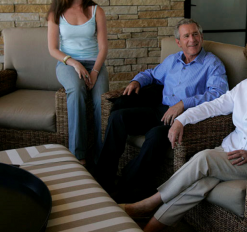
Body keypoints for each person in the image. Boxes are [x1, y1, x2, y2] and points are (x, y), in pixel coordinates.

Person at [121, 32, 247, 232]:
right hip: (229, 150)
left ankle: (150, 203)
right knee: (199, 186)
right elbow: (213, 106)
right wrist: (182, 119)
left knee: (203, 158)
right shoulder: (245, 87)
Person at [95, 18, 229, 202]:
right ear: (178, 42)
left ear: (201, 36)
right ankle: (103, 178)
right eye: (186, 36)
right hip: (160, 110)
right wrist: (136, 81)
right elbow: (151, 74)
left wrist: (184, 103)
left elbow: (219, 95)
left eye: (195, 34)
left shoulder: (212, 64)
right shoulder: (172, 60)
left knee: (155, 136)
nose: (192, 40)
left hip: (185, 118)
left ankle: (125, 185)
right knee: (118, 117)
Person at [47, 0, 109, 165]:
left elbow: (103, 48)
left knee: (102, 101)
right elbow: (53, 49)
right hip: (67, 64)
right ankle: (78, 155)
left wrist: (95, 72)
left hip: (95, 63)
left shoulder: (96, 10)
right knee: (76, 89)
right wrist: (74, 63)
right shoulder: (56, 13)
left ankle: (102, 158)